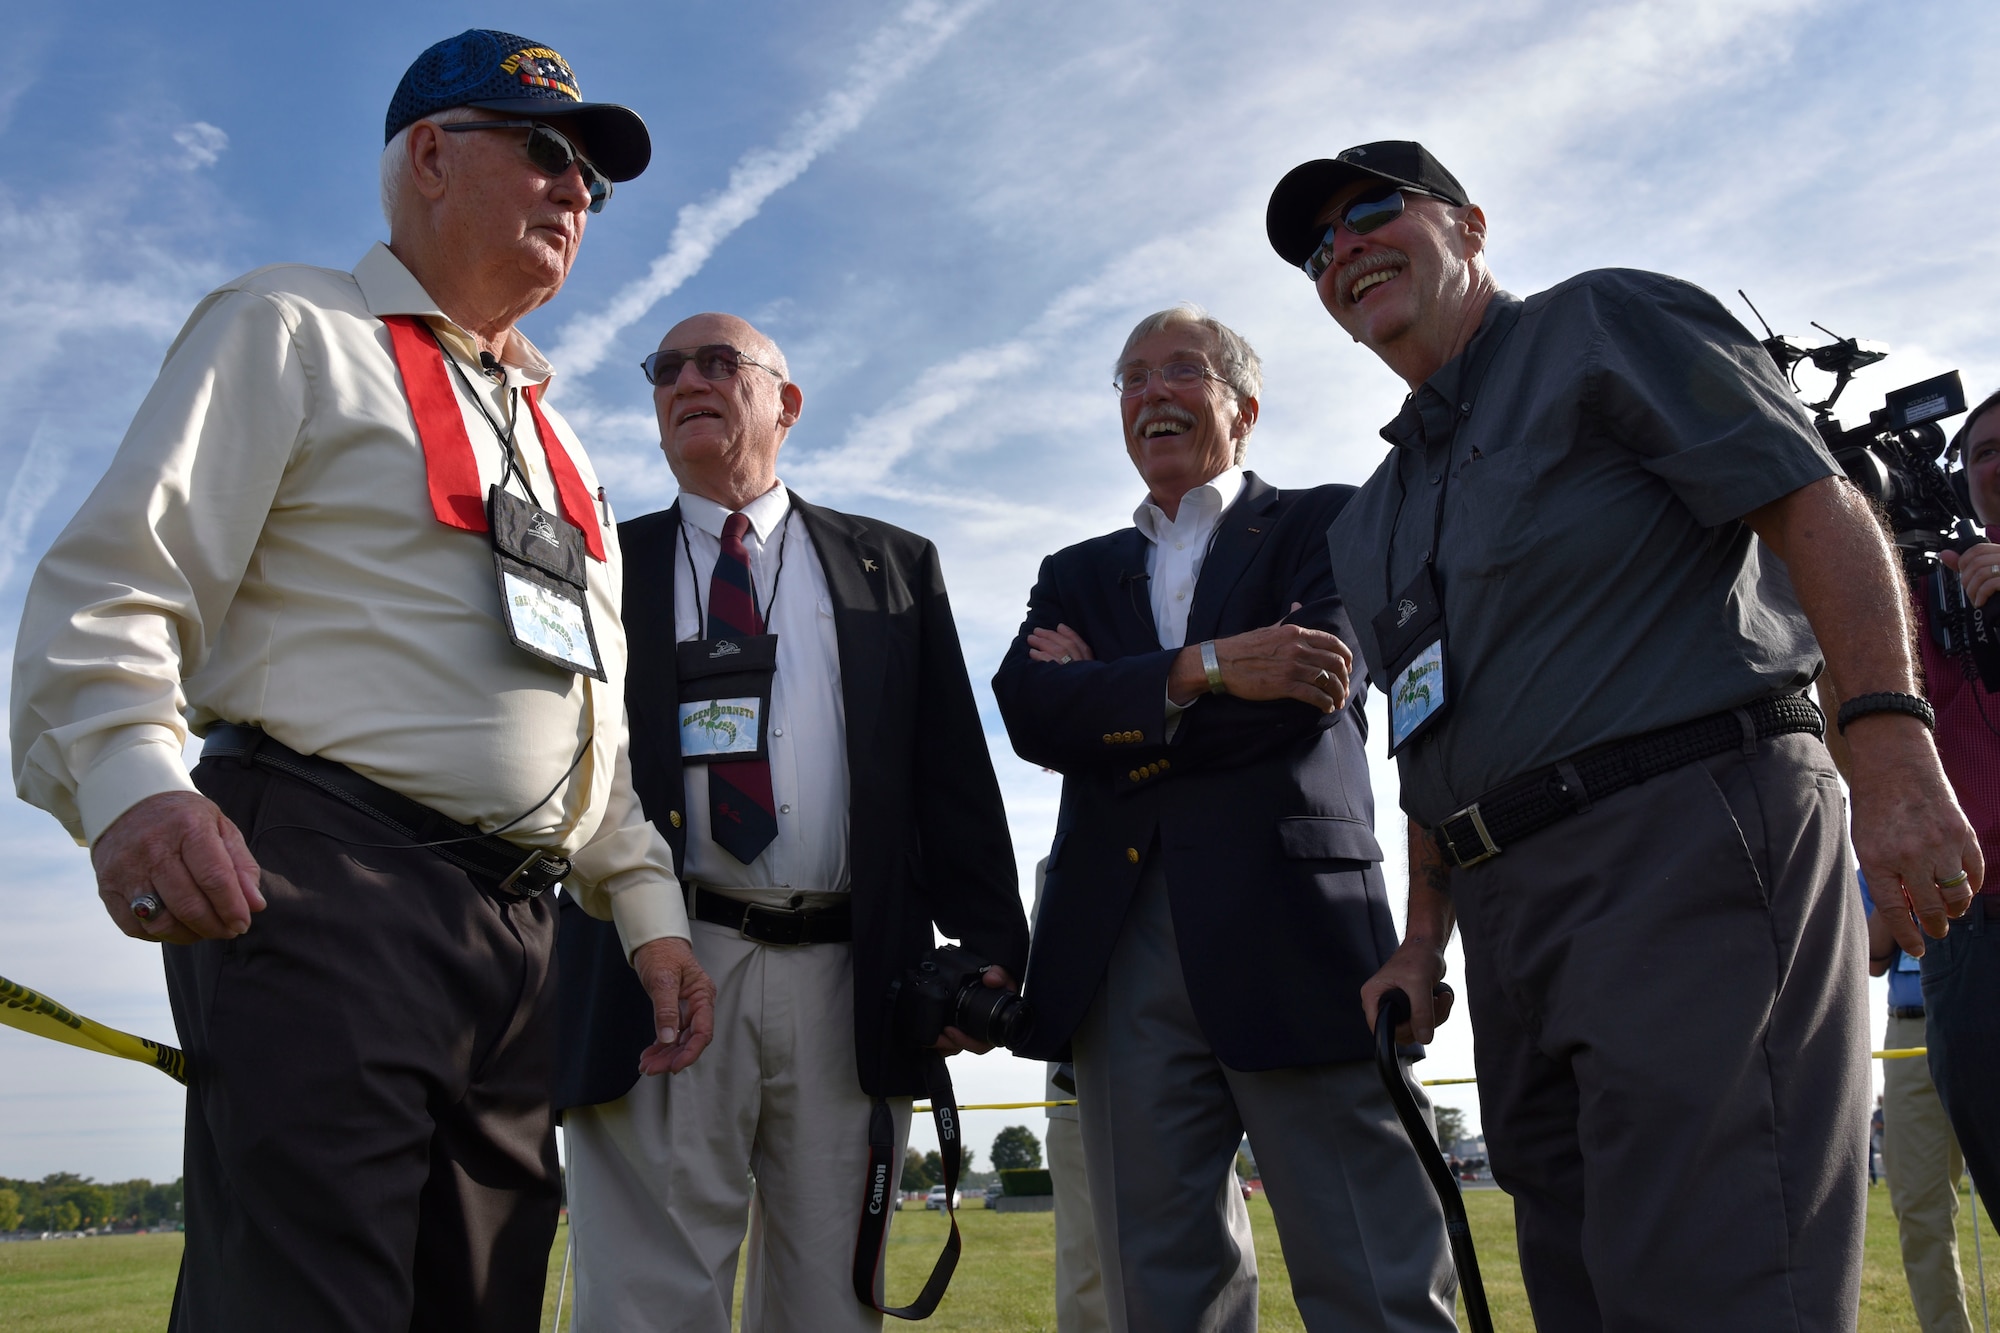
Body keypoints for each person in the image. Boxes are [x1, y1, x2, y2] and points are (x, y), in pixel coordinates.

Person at [7, 30, 709, 1332]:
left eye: (593, 183)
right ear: (430, 154)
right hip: (324, 887)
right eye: (547, 152)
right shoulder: (289, 326)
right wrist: (130, 784)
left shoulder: (565, 449)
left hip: (522, 939)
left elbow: (584, 714)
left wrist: (647, 903)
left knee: (483, 1305)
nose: (576, 194)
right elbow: (111, 590)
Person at [1264, 140, 1982, 1329]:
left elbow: (1815, 501)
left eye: (1374, 211)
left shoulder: (1597, 323)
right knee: (1585, 1290)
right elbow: (1427, 733)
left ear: (1469, 225)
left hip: (1683, 835)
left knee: (1719, 1280)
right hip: (1505, 911)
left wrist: (1893, 751)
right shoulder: (1372, 514)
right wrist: (1420, 939)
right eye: (1315, 247)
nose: (1343, 249)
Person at [552, 312, 1030, 1332]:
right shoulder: (595, 558)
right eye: (666, 368)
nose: (687, 380)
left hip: (851, 978)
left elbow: (950, 769)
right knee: (644, 1299)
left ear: (786, 401)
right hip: (660, 963)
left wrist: (991, 947)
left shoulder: (890, 565)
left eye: (718, 362)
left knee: (828, 1302)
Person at [993, 304, 1456, 1332]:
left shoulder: (1328, 522)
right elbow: (1029, 712)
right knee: (1160, 1288)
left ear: (1242, 407)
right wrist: (1204, 669)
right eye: (1130, 378)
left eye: (1179, 372)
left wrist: (1109, 700)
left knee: (1372, 1274)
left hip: (1296, 936)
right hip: (1117, 951)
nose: (1151, 393)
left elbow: (1303, 695)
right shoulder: (1074, 571)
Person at [1828, 389, 2000, 1217]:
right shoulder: (1929, 601)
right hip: (1970, 937)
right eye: (1983, 451)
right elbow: (1847, 692)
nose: (1996, 463)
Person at [1860, 871, 1974, 1333]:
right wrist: (1900, 882)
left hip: (1985, 1002)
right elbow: (1869, 957)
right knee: (1920, 1207)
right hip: (1911, 1027)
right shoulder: (1873, 842)